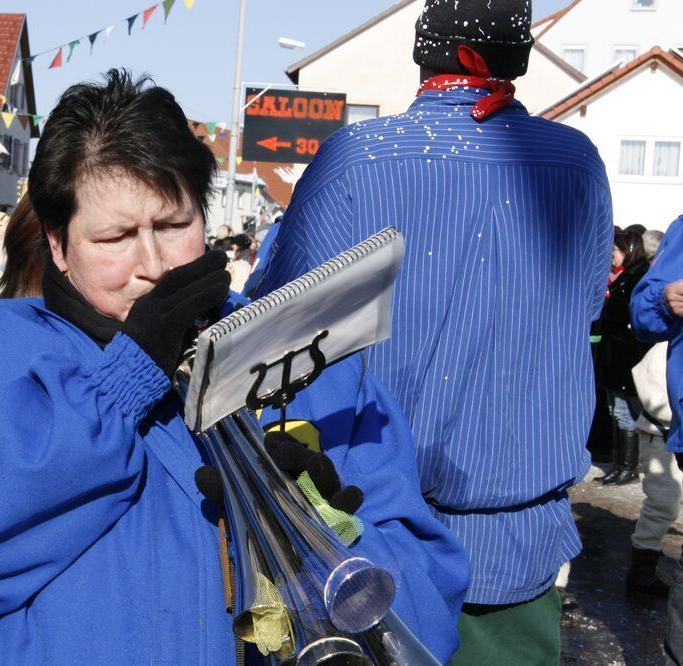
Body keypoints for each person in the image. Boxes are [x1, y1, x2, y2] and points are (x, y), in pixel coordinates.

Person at [0, 69, 469, 664]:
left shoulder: (315, 360)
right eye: (116, 238)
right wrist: (127, 377)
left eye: (175, 224)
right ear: (58, 246)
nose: (154, 264)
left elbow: (427, 608)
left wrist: (326, 533)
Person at [253, 1, 614, 662]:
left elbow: (274, 329)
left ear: (423, 52)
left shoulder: (355, 158)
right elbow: (586, 308)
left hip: (368, 538)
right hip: (516, 544)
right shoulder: (576, 165)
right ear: (519, 59)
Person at [630, 213, 683, 664]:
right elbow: (643, 315)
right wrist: (665, 300)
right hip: (662, 427)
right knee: (660, 502)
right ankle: (642, 567)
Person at [596, 230, 651, 485]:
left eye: (615, 251)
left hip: (625, 358)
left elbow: (631, 316)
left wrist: (610, 315)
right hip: (614, 357)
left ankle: (628, 466)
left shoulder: (636, 277)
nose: (611, 257)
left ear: (627, 250)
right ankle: (619, 464)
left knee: (623, 412)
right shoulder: (622, 277)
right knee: (613, 410)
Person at [626, 341, 676, 596]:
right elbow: (653, 393)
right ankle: (641, 572)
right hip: (661, 438)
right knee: (662, 505)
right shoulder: (663, 348)